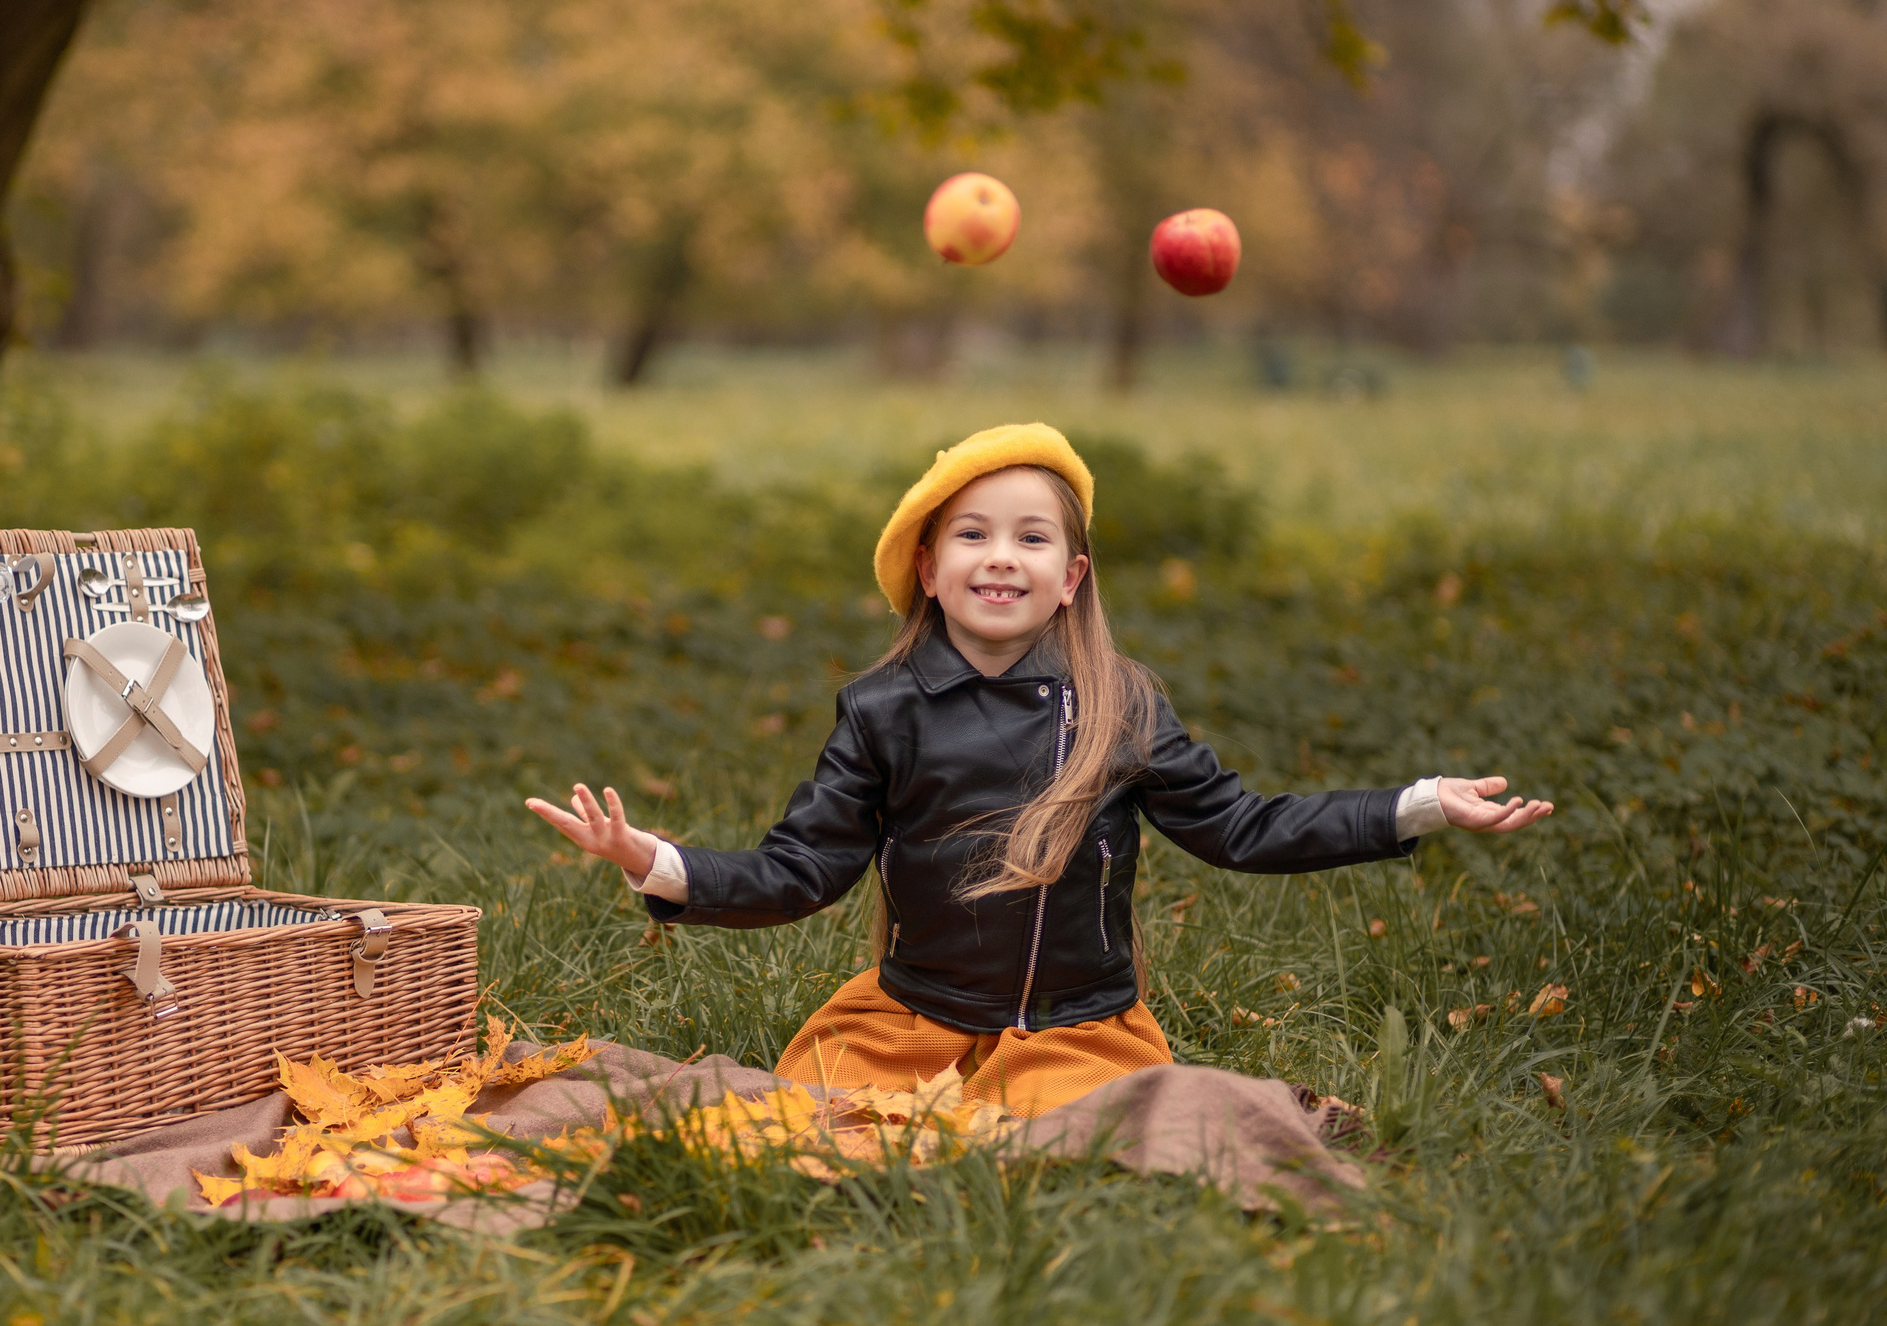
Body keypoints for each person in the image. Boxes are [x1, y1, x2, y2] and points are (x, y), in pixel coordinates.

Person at [526, 422, 1552, 1119]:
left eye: (1031, 537)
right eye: (971, 535)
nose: (1000, 556)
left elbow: (1244, 829)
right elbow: (801, 870)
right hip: (908, 1021)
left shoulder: (1121, 706)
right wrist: (653, 860)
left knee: (1088, 1141)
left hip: (1077, 1030)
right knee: (810, 1126)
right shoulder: (882, 712)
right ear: (928, 569)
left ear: (1070, 578)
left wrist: (1417, 805)